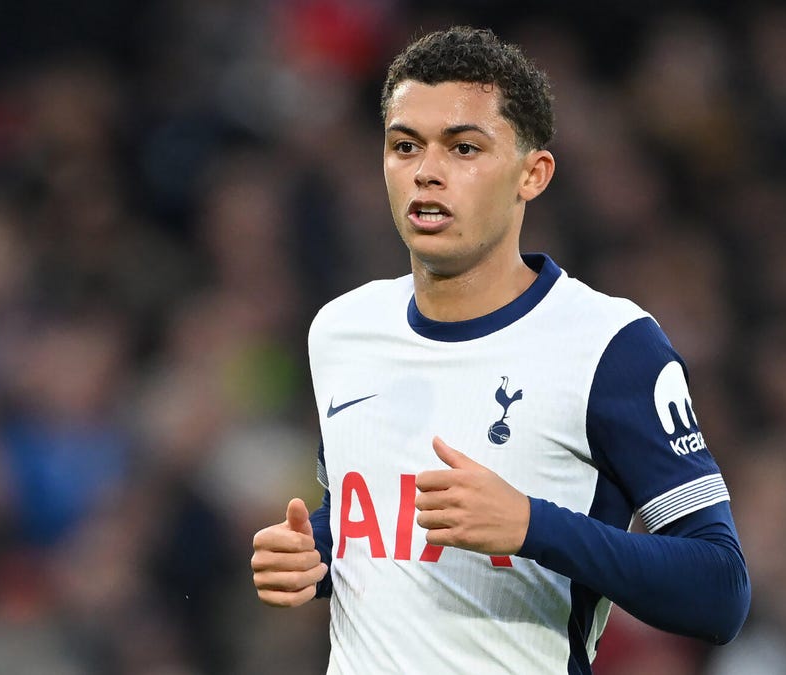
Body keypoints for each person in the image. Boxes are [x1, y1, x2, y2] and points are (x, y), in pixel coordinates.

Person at [251, 26, 750, 673]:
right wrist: (314, 551)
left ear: (532, 173)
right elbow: (376, 518)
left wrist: (531, 526)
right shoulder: (342, 329)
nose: (427, 171)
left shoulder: (610, 346)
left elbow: (720, 591)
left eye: (463, 147)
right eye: (406, 146)